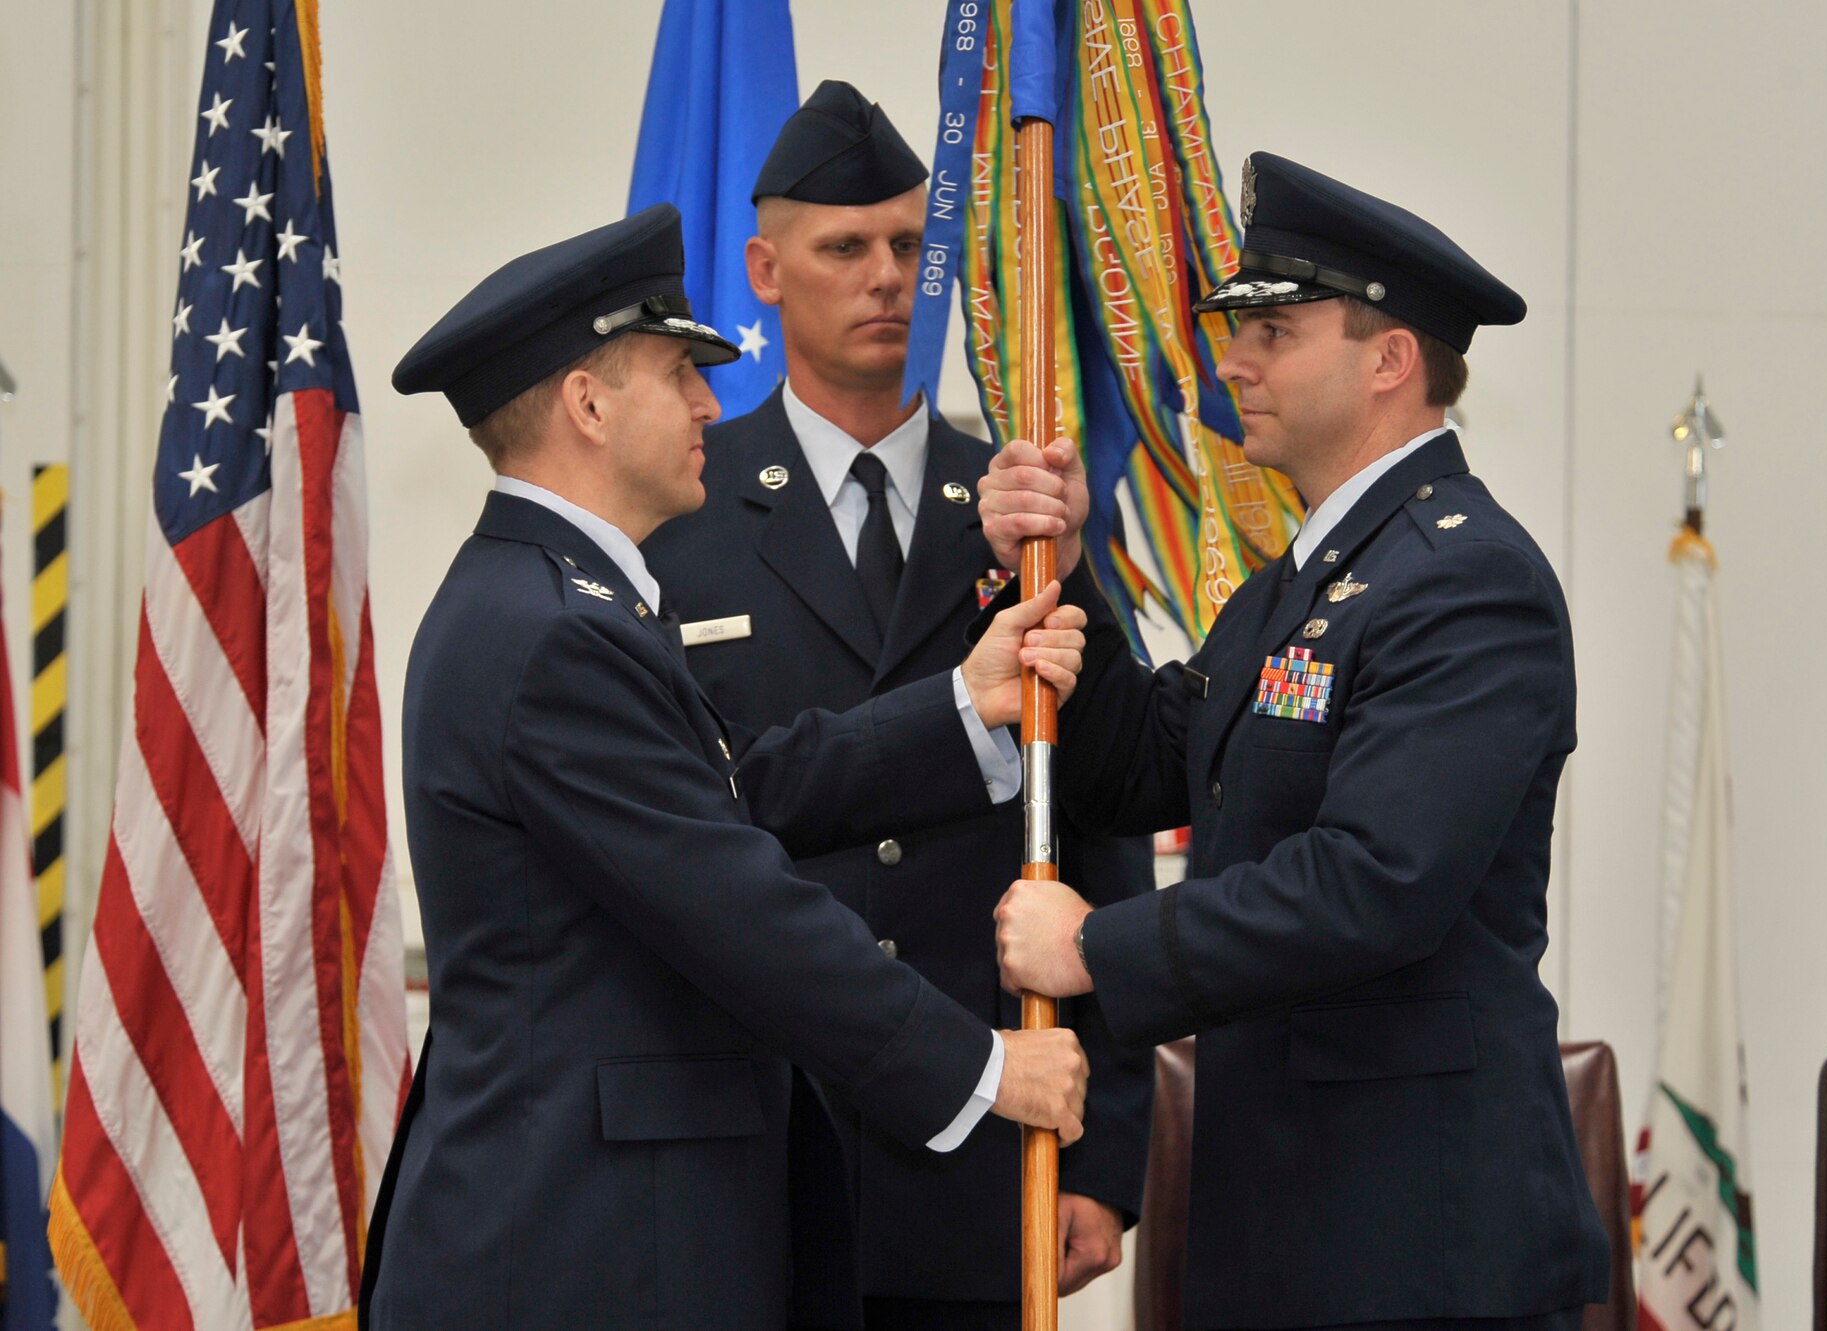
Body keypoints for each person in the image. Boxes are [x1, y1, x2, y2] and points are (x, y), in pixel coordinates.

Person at [362, 202, 1097, 1331]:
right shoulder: (553, 627)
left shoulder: (556, 601)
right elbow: (730, 898)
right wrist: (981, 1064)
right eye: (678, 373)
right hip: (578, 1245)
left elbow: (732, 793)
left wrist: (964, 702)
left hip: (605, 1231)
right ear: (589, 403)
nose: (712, 400)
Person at [982, 154, 1613, 1330]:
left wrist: (1096, 949)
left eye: (1272, 330)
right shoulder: (1306, 577)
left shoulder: (1462, 578)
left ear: (1389, 359)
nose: (1231, 361)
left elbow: (1375, 881)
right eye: (1236, 330)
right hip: (1288, 1220)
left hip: (1417, 1244)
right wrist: (1065, 572)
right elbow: (1144, 762)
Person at [643, 80, 1153, 1331]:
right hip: (757, 1140)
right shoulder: (682, 518)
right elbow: (682, 820)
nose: (884, 277)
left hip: (980, 1154)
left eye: (911, 246)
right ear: (764, 268)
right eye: (843, 248)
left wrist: (1106, 1156)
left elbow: (1098, 820)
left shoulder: (1022, 506)